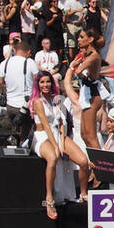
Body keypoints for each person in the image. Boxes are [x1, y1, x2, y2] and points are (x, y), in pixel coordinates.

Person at [30, 69, 90, 216]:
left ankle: (83, 193)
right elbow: (45, 125)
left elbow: (62, 123)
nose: (46, 85)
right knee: (53, 158)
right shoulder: (38, 102)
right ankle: (49, 198)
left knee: (83, 161)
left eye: (48, 81)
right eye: (42, 82)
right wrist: (56, 146)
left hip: (58, 134)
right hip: (43, 135)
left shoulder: (57, 100)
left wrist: (61, 143)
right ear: (38, 84)